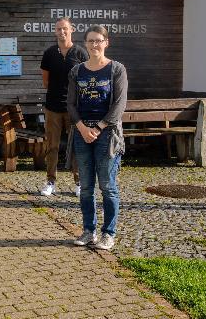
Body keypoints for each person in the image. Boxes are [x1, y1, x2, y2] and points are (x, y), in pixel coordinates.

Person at [67, 25, 127, 251]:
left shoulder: (117, 69)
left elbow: (119, 104)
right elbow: (71, 103)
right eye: (90, 41)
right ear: (85, 43)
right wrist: (82, 127)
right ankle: (88, 230)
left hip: (107, 135)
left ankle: (108, 233)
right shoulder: (76, 71)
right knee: (86, 187)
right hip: (82, 133)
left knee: (108, 186)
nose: (94, 45)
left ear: (106, 43)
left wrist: (99, 127)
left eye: (98, 40)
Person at [39, 17, 88, 197]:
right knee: (51, 146)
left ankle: (79, 182)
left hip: (74, 109)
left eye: (65, 29)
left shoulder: (81, 53)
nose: (62, 32)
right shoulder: (49, 53)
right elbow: (46, 82)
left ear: (71, 30)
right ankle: (50, 181)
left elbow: (85, 81)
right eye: (58, 29)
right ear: (55, 32)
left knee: (76, 146)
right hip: (52, 107)